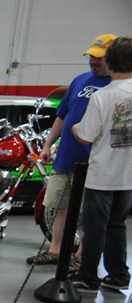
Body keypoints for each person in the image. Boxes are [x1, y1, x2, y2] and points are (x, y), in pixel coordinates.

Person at [27, 34, 115, 266]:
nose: (93, 62)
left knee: (89, 213)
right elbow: (62, 116)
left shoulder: (117, 86)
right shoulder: (80, 80)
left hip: (95, 163)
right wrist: (48, 145)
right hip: (66, 158)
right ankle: (56, 250)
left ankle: (80, 258)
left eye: (100, 58)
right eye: (92, 57)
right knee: (59, 206)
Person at [70, 36, 132, 293]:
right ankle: (119, 275)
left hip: (102, 173)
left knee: (94, 228)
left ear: (109, 61)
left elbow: (85, 134)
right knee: (117, 224)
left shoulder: (102, 96)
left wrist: (75, 127)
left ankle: (88, 277)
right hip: (128, 175)